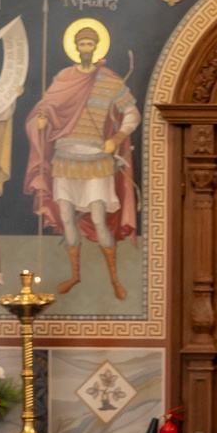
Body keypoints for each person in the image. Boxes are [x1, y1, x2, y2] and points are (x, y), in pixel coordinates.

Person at [24, 22, 140, 297]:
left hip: (96, 160)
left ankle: (114, 278)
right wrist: (41, 120)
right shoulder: (65, 78)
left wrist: (116, 137)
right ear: (76, 48)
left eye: (90, 44)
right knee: (66, 218)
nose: (85, 48)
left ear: (95, 47)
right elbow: (46, 106)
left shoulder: (110, 81)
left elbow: (132, 114)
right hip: (65, 158)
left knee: (99, 219)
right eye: (81, 44)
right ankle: (75, 275)